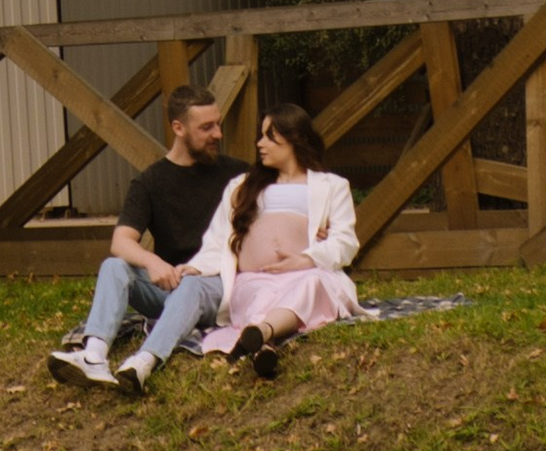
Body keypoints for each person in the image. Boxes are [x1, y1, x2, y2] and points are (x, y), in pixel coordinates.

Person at [46, 82, 231, 400]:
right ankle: (94, 356)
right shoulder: (150, 182)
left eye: (217, 124)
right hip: (171, 287)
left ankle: (143, 362)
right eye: (207, 127)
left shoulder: (235, 174)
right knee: (115, 266)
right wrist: (153, 262)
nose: (218, 134)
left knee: (191, 285)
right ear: (179, 128)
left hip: (217, 286)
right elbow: (121, 241)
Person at [196, 102, 361, 374]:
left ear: (294, 140)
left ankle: (261, 334)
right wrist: (197, 266)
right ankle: (263, 342)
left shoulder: (331, 186)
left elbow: (346, 241)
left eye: (269, 137)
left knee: (313, 284)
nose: (260, 144)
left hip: (305, 274)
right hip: (255, 276)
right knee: (258, 295)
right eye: (260, 136)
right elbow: (217, 237)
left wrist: (305, 259)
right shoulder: (241, 186)